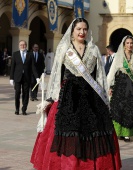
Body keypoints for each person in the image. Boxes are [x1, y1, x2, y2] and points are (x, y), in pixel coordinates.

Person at [30, 18, 121, 170]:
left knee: (94, 130)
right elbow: (56, 74)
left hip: (91, 96)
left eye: (85, 29)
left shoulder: (93, 49)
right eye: (79, 29)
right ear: (72, 30)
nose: (82, 32)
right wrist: (51, 97)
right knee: (66, 131)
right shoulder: (64, 48)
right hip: (68, 96)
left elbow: (99, 75)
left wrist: (104, 96)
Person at [107, 35, 133, 142]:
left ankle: (127, 133)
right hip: (120, 86)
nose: (130, 45)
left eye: (131, 43)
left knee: (130, 108)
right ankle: (119, 131)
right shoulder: (119, 56)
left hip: (132, 86)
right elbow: (112, 72)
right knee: (119, 108)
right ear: (124, 45)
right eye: (128, 43)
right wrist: (110, 86)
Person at [10, 40, 39, 115]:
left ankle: (24, 109)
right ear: (19, 46)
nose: (23, 46)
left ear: (26, 45)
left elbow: (33, 67)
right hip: (17, 77)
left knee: (26, 93)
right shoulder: (15, 54)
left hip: (27, 77)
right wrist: (11, 78)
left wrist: (37, 77)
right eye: (21, 45)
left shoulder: (30, 54)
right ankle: (17, 109)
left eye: (24, 45)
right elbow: (12, 67)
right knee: (17, 93)